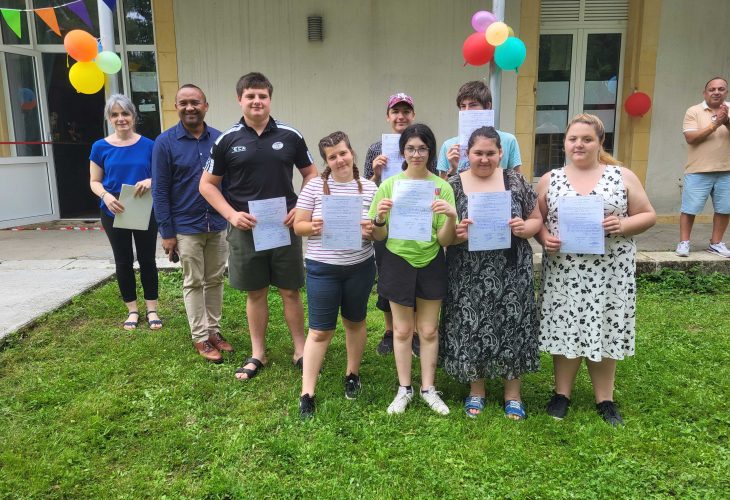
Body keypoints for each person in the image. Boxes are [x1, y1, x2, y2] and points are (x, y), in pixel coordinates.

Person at [536, 114, 656, 426]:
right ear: (564, 142)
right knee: (566, 327)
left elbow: (648, 215)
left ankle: (605, 398)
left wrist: (624, 223)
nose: (579, 144)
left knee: (605, 325)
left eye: (587, 139)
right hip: (565, 271)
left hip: (610, 273)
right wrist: (544, 238)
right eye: (573, 138)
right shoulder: (551, 179)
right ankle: (561, 394)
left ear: (600, 143)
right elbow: (538, 219)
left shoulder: (621, 176)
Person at [199, 72, 318, 380]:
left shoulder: (290, 135)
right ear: (240, 100)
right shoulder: (227, 140)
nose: (256, 101)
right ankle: (258, 354)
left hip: (284, 225)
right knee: (256, 292)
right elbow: (207, 185)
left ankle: (300, 350)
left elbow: (312, 175)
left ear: (269, 99)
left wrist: (299, 208)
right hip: (246, 228)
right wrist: (231, 215)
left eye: (262, 96)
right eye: (250, 96)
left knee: (290, 290)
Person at [440, 127, 541, 420]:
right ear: (467, 155)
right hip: (467, 271)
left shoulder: (516, 181)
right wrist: (457, 234)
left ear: (501, 154)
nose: (484, 159)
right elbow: (444, 236)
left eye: (491, 153)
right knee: (472, 324)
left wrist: (527, 228)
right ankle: (477, 389)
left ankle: (513, 393)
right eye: (478, 153)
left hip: (511, 268)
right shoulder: (454, 185)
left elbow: (536, 217)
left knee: (513, 323)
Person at [368, 123, 457, 415]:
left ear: (430, 151)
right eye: (410, 148)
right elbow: (378, 235)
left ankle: (428, 388)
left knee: (429, 330)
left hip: (431, 260)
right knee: (403, 330)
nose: (416, 154)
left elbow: (445, 240)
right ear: (402, 151)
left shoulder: (442, 187)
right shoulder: (389, 186)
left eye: (422, 148)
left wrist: (451, 218)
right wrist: (380, 218)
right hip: (397, 261)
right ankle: (404, 388)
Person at [294, 131, 377, 418]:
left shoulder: (369, 188)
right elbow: (298, 226)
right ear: (326, 162)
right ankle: (307, 392)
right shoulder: (315, 187)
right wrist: (312, 227)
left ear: (351, 152)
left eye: (343, 153)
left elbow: (380, 231)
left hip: (360, 267)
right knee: (320, 330)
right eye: (332, 156)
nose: (339, 159)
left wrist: (373, 231)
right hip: (323, 269)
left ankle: (352, 374)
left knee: (355, 322)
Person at [152, 84, 232, 363]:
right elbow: (160, 190)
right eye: (184, 103)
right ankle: (200, 337)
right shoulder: (165, 143)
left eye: (195, 102)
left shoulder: (221, 140)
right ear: (177, 107)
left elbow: (229, 183)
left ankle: (214, 331)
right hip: (185, 226)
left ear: (205, 106)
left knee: (215, 280)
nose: (190, 107)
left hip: (217, 224)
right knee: (193, 281)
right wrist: (167, 232)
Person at [89, 94, 161, 330]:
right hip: (113, 211)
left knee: (147, 259)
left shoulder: (150, 145)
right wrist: (106, 196)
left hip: (144, 210)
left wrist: (150, 180)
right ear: (109, 119)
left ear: (134, 116)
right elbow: (94, 181)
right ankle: (132, 309)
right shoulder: (100, 147)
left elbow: (161, 176)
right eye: (115, 115)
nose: (121, 119)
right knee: (123, 260)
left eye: (125, 113)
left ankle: (152, 309)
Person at [363, 93, 420, 356]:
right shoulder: (377, 148)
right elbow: (366, 189)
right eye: (395, 112)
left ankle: (417, 332)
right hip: (387, 220)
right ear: (388, 117)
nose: (401, 116)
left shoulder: (422, 144)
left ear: (413, 115)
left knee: (417, 272)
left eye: (406, 111)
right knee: (387, 273)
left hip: (416, 219)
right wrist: (375, 173)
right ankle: (389, 330)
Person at [676, 77, 730, 258]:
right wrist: (715, 124)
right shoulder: (693, 111)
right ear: (705, 92)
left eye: (721, 89)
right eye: (712, 89)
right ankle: (684, 242)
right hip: (698, 169)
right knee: (690, 209)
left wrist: (727, 121)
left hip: (727, 170)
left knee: (725, 209)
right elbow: (691, 138)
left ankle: (716, 243)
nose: (716, 92)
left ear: (726, 92)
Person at [436, 80, 522, 178]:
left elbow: (518, 182)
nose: (467, 110)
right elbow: (442, 190)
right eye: (463, 106)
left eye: (473, 105)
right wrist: (453, 169)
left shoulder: (509, 140)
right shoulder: (449, 146)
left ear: (487, 106)